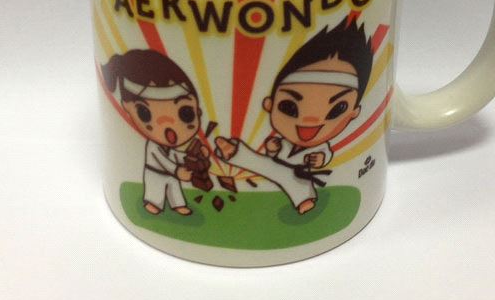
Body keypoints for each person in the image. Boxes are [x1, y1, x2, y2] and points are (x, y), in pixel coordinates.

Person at [216, 18, 373, 214]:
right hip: (283, 170)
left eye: (337, 108)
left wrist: (319, 160)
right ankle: (236, 153)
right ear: (269, 105)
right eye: (289, 107)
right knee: (275, 170)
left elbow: (323, 155)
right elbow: (275, 154)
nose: (310, 121)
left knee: (281, 173)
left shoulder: (320, 148)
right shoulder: (285, 142)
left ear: (354, 113)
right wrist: (273, 149)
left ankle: (236, 153)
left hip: (301, 174)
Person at [101, 49, 209, 216]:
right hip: (156, 173)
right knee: (155, 191)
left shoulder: (169, 147)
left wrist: (193, 157)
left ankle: (178, 205)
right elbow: (163, 161)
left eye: (185, 113)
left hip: (172, 174)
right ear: (128, 108)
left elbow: (176, 155)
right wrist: (177, 171)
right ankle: (153, 204)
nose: (167, 125)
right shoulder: (154, 146)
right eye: (145, 113)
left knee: (175, 189)